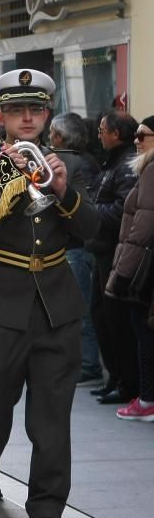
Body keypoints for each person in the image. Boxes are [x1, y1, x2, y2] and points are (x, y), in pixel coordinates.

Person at [0, 69, 98, 518]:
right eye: (18, 111)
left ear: (46, 114)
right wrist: (5, 178)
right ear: (1, 116)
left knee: (52, 418)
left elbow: (93, 230)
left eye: (36, 110)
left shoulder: (71, 165)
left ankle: (47, 511)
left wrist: (63, 191)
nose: (28, 118)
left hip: (56, 306)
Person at [90, 111, 140, 405]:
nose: (98, 135)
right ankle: (117, 378)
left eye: (102, 130)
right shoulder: (111, 163)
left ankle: (127, 382)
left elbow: (123, 210)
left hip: (114, 253)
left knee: (117, 321)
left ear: (116, 134)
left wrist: (91, 214)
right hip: (101, 251)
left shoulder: (126, 166)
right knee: (102, 318)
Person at [107, 115, 154, 421]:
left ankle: (148, 399)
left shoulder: (151, 169)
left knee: (143, 330)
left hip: (143, 269)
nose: (136, 141)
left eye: (142, 136)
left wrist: (122, 273)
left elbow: (143, 226)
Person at [49, 113, 102, 383]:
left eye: (52, 133)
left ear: (59, 137)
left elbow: (88, 211)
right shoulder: (78, 159)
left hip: (77, 247)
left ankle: (88, 364)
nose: (49, 137)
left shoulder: (74, 162)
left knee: (81, 310)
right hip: (77, 248)